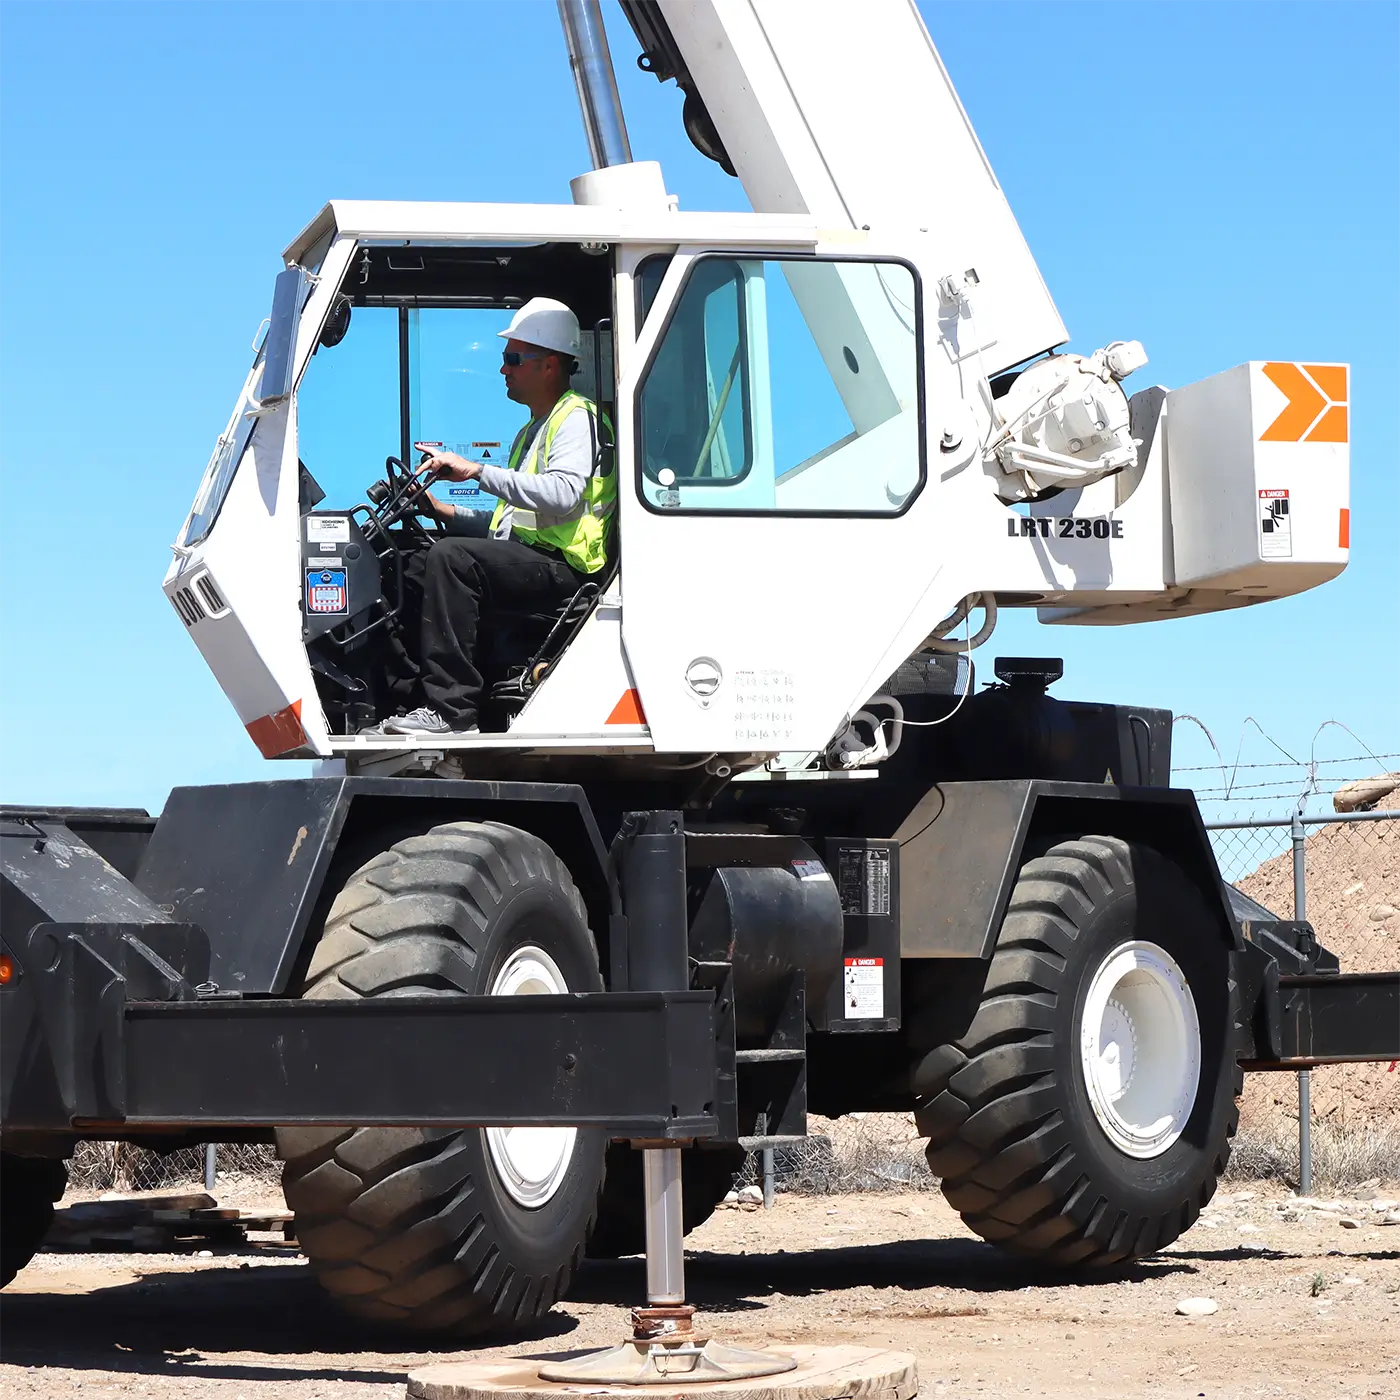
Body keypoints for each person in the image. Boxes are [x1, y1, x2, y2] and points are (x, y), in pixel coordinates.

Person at [382, 298, 614, 736]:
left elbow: (563, 495)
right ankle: (416, 698)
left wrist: (477, 471)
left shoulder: (577, 419)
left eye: (512, 359)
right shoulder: (531, 431)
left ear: (548, 366)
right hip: (530, 559)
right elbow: (506, 524)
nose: (504, 369)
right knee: (411, 562)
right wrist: (441, 511)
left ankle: (453, 714)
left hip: (566, 569)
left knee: (452, 560)